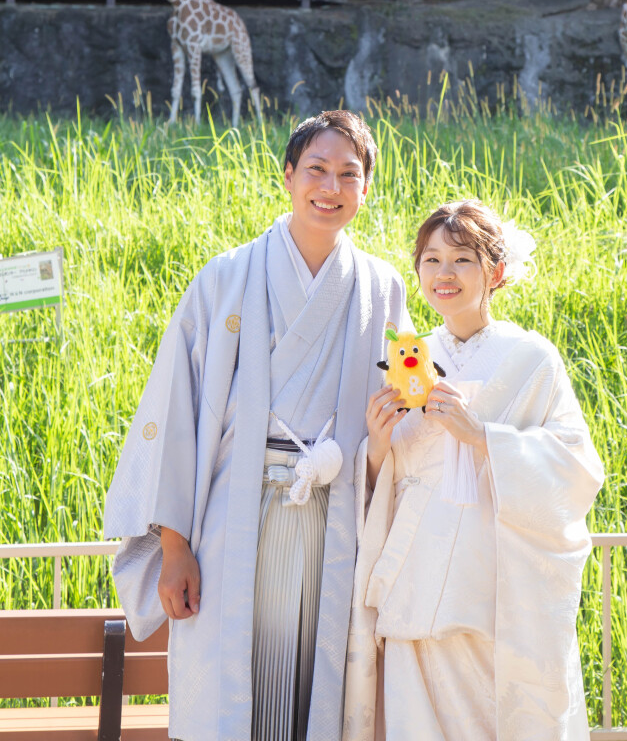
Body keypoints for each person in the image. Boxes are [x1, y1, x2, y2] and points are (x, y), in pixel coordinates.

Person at [104, 110, 409, 741]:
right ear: (288, 175)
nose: (331, 187)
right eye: (317, 170)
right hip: (234, 519)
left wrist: (387, 444)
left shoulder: (382, 287)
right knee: (234, 695)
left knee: (314, 690)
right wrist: (174, 546)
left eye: (348, 174)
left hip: (337, 516)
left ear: (366, 189)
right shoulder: (226, 278)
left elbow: (398, 414)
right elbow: (176, 411)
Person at [343, 199, 604, 741]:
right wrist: (376, 447)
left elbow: (577, 469)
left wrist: (483, 437)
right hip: (414, 583)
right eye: (431, 259)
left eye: (462, 259)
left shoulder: (531, 357)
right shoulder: (407, 356)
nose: (444, 273)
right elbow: (385, 482)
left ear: (496, 272)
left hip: (495, 590)